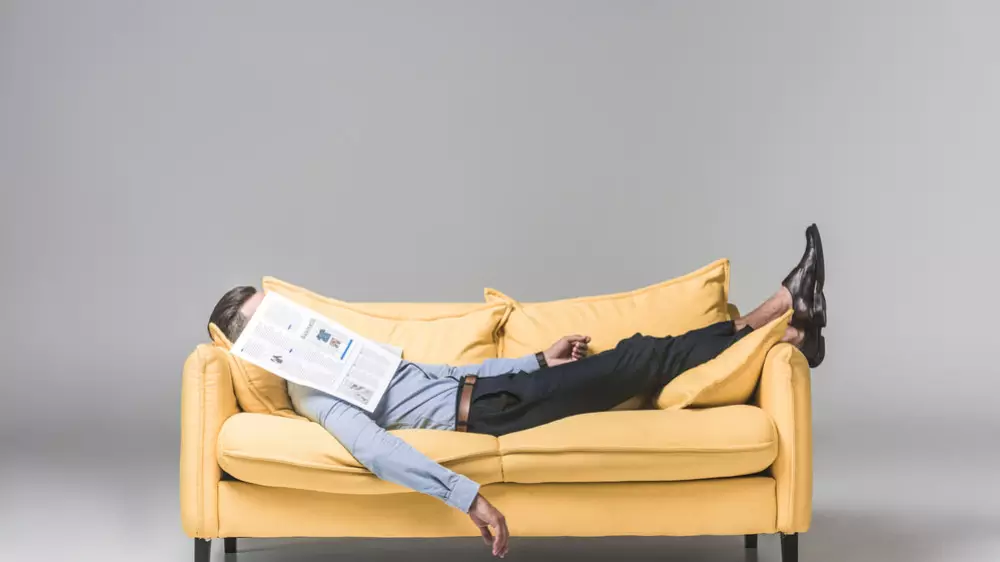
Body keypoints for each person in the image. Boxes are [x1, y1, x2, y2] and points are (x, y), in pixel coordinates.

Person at [207, 224, 826, 559]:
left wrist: (535, 359)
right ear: (255, 344)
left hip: (503, 389)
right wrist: (470, 498)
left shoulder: (343, 354)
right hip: (497, 412)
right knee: (640, 355)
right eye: (266, 321)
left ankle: (794, 329)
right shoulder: (313, 393)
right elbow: (376, 451)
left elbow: (440, 375)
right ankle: (782, 310)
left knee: (639, 357)